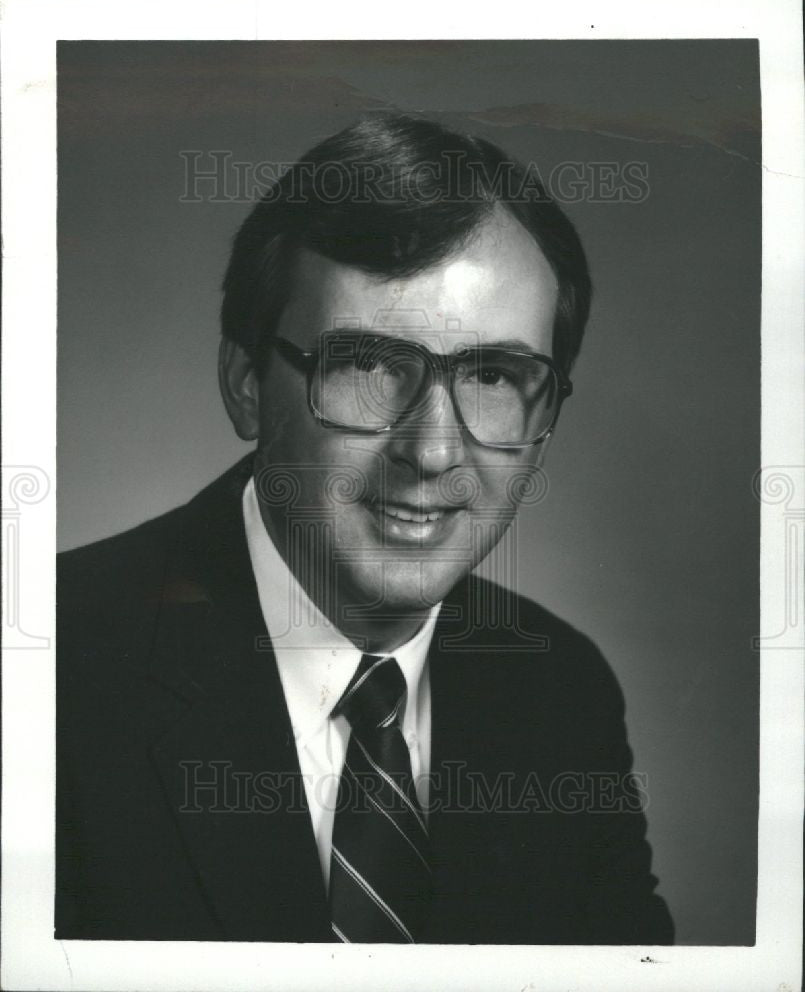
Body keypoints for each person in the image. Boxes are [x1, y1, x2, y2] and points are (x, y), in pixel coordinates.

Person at [56, 114, 674, 945]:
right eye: (369, 365)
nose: (432, 450)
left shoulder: (561, 693)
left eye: (493, 374)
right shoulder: (47, 672)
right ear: (246, 384)